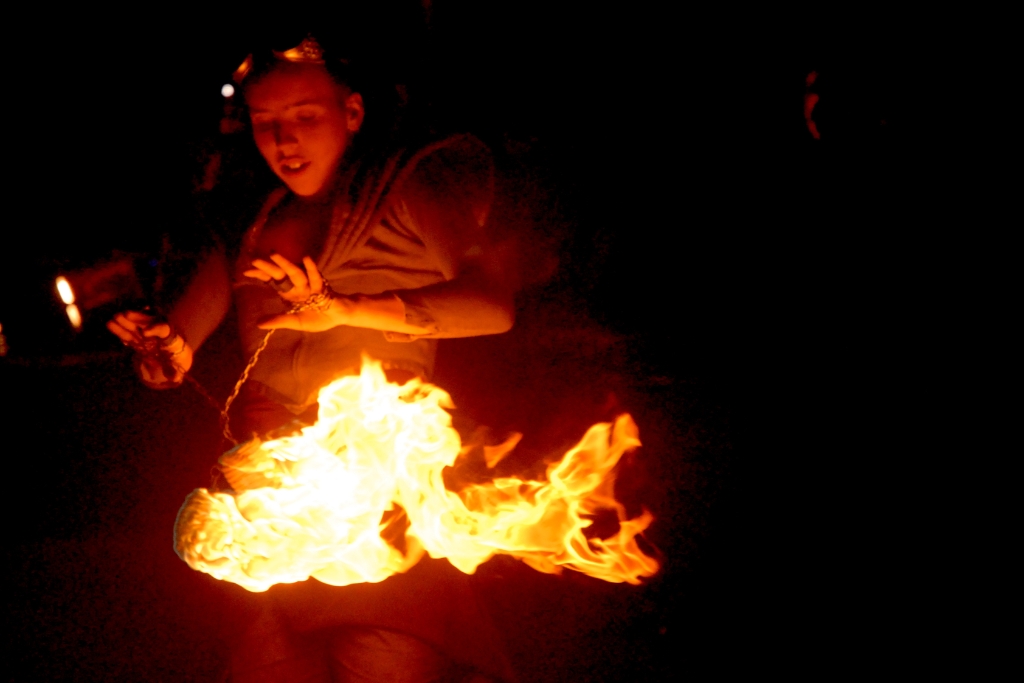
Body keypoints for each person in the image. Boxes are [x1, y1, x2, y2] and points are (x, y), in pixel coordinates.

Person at [108, 35, 516, 683]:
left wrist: (344, 305)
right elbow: (177, 347)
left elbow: (493, 306)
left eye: (305, 116)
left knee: (381, 664)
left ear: (352, 113)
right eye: (266, 123)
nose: (284, 141)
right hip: (271, 500)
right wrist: (161, 352)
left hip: (373, 498)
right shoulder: (251, 224)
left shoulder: (404, 192)